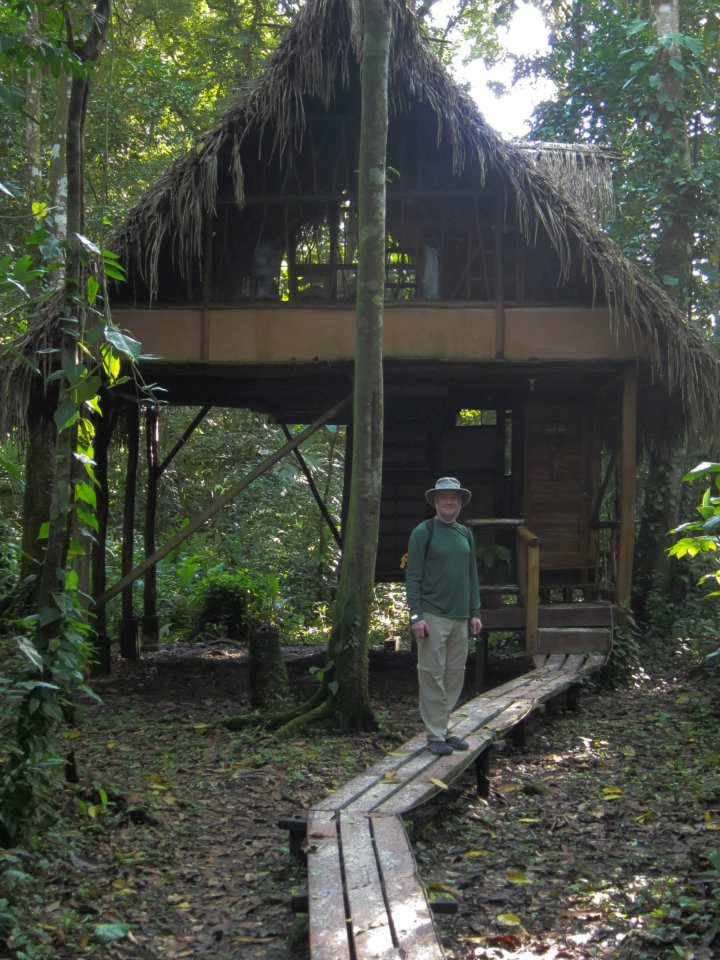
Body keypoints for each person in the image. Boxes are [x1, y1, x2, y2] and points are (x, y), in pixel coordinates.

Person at [405, 477, 482, 756]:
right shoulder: (423, 532)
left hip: (461, 616)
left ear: (460, 502)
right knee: (431, 674)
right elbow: (412, 576)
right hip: (432, 615)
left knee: (454, 674)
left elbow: (471, 575)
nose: (449, 501)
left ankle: (445, 728)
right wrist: (416, 616)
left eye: (454, 497)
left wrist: (475, 611)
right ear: (435, 502)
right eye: (443, 497)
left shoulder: (466, 534)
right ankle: (435, 734)